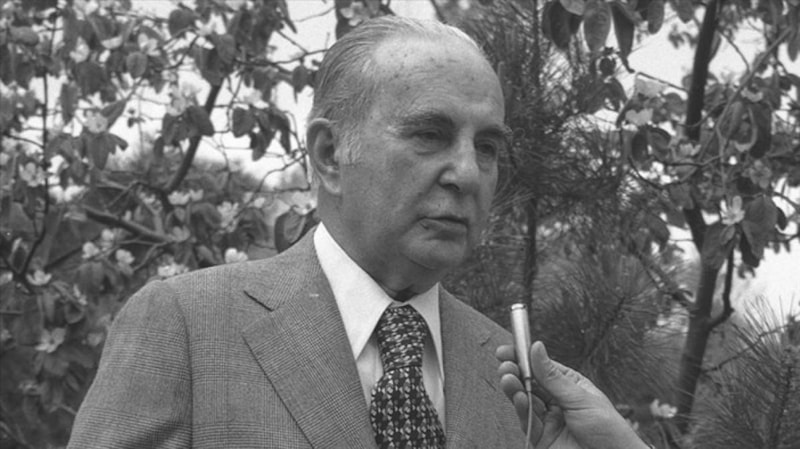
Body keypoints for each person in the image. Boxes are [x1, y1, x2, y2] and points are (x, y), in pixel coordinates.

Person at [68, 16, 649, 449]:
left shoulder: (517, 384)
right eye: (430, 135)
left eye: (488, 147)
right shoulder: (188, 327)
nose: (468, 173)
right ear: (328, 154)